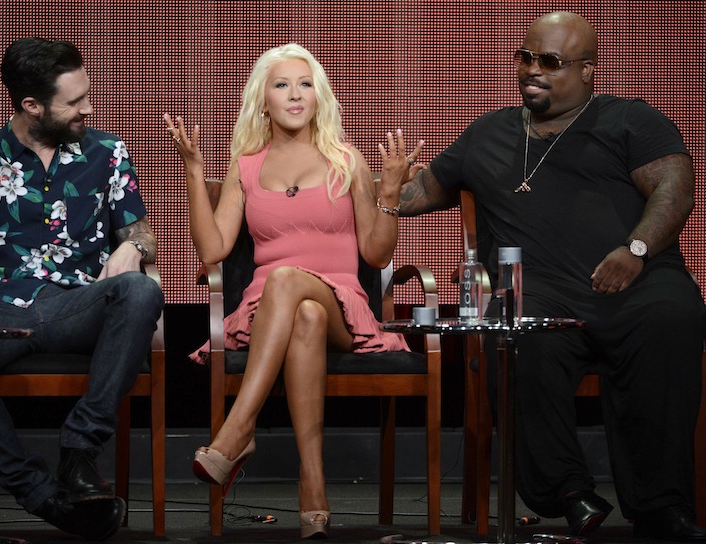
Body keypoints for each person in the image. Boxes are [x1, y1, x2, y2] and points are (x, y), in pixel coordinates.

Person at [398, 11, 706, 542]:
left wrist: (635, 248)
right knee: (517, 336)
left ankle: (661, 505)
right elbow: (415, 194)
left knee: (673, 317)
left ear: (588, 70)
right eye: (526, 57)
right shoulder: (488, 133)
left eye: (550, 61)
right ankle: (568, 493)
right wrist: (381, 185)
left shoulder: (627, 119)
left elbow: (674, 188)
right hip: (541, 289)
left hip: (635, 281)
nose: (531, 70)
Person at [164, 43, 422, 539]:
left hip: (344, 304)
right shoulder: (245, 166)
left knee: (288, 279)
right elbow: (213, 249)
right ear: (263, 100)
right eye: (282, 85)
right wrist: (195, 173)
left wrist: (388, 192)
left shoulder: (346, 159)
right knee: (303, 313)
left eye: (305, 84)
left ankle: (239, 430)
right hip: (272, 313)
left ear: (319, 96)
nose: (295, 94)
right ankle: (314, 488)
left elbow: (376, 255)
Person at [0, 38, 164, 541]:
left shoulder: (106, 152)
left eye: (88, 96)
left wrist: (135, 250)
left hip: (76, 304)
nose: (89, 109)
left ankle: (79, 452)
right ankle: (45, 498)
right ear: (31, 105)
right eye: (74, 102)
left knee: (140, 293)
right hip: (1, 308)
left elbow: (142, 233)